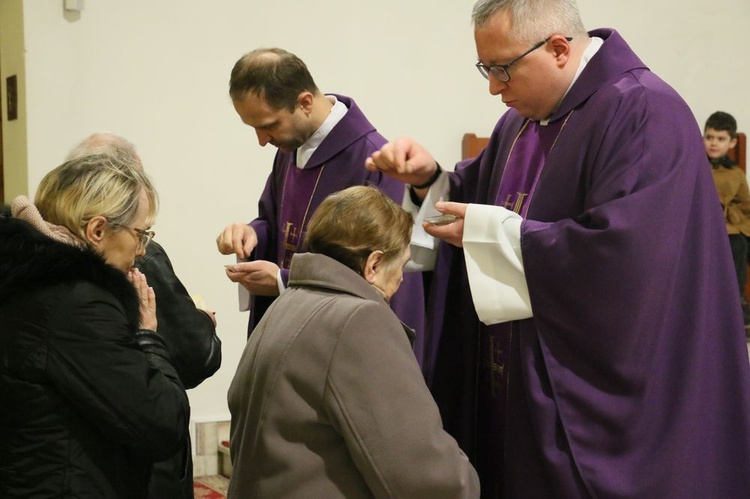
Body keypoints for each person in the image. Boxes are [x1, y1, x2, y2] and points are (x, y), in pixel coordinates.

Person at [365, 0, 750, 496]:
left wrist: (494, 235)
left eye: (503, 69)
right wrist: (429, 181)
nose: (493, 88)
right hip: (517, 384)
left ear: (560, 49)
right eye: (486, 69)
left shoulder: (644, 109)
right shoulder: (521, 121)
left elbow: (627, 255)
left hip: (593, 398)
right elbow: (477, 196)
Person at [227, 185, 479, 498]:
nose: (401, 279)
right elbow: (420, 475)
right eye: (402, 265)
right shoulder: (359, 321)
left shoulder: (287, 302)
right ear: (373, 265)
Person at [215, 48, 426, 361]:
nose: (262, 140)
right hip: (294, 331)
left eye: (269, 125)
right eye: (254, 128)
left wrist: (282, 281)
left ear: (304, 103)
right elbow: (277, 222)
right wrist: (253, 233)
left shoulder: (374, 162)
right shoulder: (290, 148)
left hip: (340, 345)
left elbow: (378, 269)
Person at [0, 154, 190, 497]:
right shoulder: (77, 303)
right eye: (141, 233)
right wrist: (149, 337)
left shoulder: (26, 274)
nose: (143, 250)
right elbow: (161, 424)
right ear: (98, 230)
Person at [66, 132, 222, 498]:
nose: (141, 248)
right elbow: (170, 399)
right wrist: (156, 333)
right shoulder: (131, 265)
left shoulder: (45, 263)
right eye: (140, 232)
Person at [704, 112, 750, 329]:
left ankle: (739, 302)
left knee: (740, 243)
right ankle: (736, 308)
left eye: (720, 139)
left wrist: (734, 218)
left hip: (730, 226)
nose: (714, 143)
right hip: (705, 226)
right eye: (709, 137)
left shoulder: (735, 173)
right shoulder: (696, 166)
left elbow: (745, 205)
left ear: (731, 142)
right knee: (736, 245)